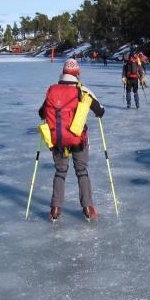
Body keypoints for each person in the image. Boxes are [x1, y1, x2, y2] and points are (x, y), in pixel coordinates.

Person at [38, 58, 105, 222]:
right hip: (78, 139)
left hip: (58, 140)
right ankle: (88, 209)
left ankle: (55, 210)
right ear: (77, 73)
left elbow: (42, 113)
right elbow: (100, 111)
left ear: (63, 73)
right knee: (81, 172)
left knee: (60, 172)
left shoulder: (52, 91)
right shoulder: (83, 91)